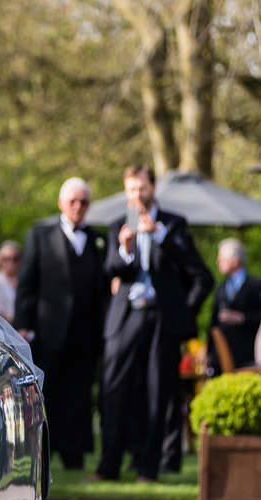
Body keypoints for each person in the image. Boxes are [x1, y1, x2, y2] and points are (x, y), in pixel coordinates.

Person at [95, 165, 213, 482]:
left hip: (160, 314)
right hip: (126, 314)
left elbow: (193, 267)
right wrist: (125, 248)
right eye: (131, 190)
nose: (136, 195)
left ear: (153, 188)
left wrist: (158, 235)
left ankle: (149, 468)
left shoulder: (174, 223)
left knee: (156, 391)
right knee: (114, 391)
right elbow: (110, 269)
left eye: (141, 189)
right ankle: (108, 468)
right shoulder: (118, 224)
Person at [14, 178, 108, 471]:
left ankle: (74, 455)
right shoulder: (40, 236)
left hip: (86, 334)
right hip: (48, 332)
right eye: (73, 201)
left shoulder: (97, 240)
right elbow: (26, 285)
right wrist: (22, 325)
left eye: (84, 202)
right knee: (47, 393)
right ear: (61, 203)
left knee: (80, 397)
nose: (78, 207)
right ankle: (42, 453)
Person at [208, 238, 261, 371]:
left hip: (247, 355)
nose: (217, 262)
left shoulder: (255, 286)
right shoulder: (221, 287)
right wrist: (209, 352)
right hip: (221, 357)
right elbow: (213, 322)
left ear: (234, 260)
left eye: (222, 258)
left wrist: (242, 318)